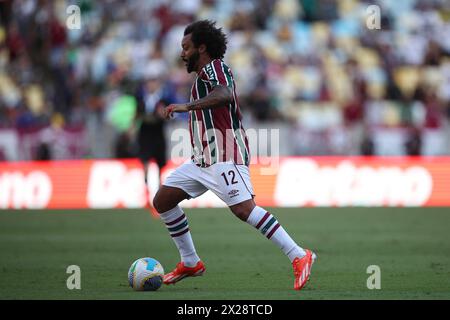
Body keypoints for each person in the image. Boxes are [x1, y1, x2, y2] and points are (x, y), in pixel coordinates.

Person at [154, 20, 316, 291]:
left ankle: (299, 255)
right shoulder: (202, 76)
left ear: (201, 48)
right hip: (202, 158)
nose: (182, 53)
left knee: (244, 210)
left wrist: (186, 106)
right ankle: (190, 261)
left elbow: (225, 94)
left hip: (226, 153)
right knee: (163, 201)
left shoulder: (215, 68)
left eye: (186, 47)